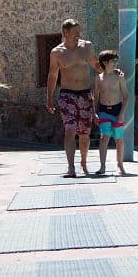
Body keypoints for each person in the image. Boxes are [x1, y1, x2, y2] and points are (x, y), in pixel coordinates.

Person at [46, 18, 105, 177]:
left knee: (85, 133)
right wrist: (49, 98)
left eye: (79, 32)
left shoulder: (87, 47)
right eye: (75, 33)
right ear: (65, 33)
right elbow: (52, 76)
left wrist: (110, 72)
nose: (78, 35)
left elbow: (95, 65)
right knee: (69, 130)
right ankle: (71, 168)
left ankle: (83, 164)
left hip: (85, 94)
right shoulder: (57, 52)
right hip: (67, 95)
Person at [93, 50, 129, 176]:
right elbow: (95, 97)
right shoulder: (98, 78)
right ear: (105, 62)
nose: (116, 63)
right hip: (103, 111)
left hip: (117, 110)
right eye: (113, 61)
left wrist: (122, 114)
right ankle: (102, 166)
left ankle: (120, 165)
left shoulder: (119, 76)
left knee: (119, 139)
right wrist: (94, 113)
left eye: (116, 61)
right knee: (104, 137)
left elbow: (125, 96)